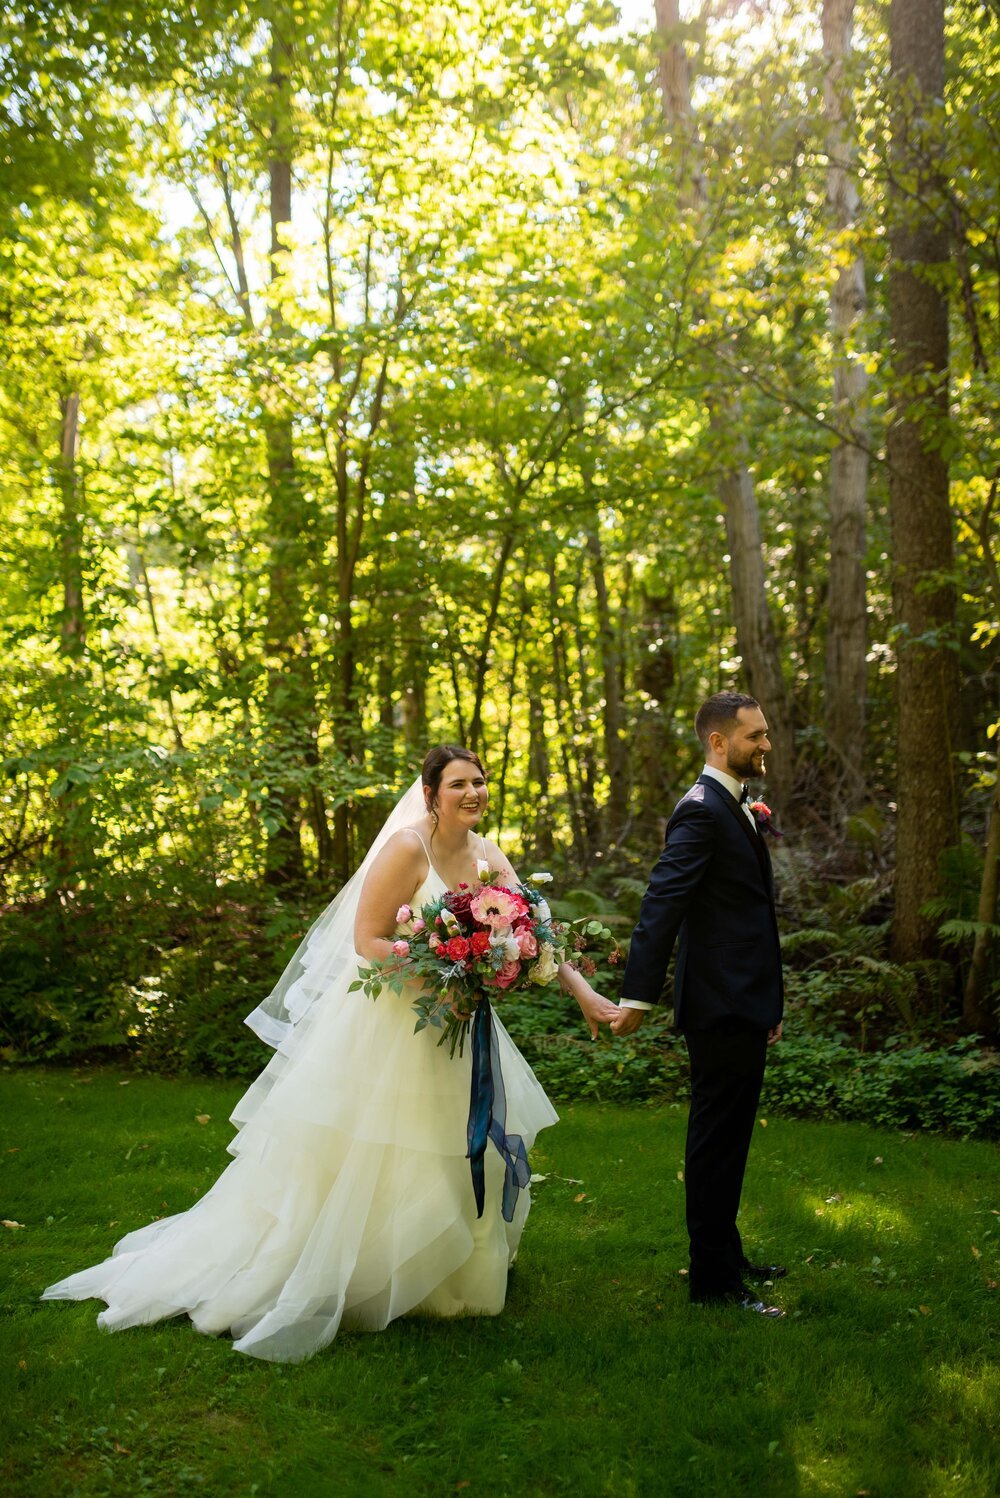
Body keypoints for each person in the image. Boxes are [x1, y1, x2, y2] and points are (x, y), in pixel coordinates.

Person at [42, 746, 619, 1361]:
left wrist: (584, 994)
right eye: (459, 784)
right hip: (396, 1020)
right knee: (383, 1149)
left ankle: (449, 1281)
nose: (474, 793)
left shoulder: (485, 853)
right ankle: (357, 1271)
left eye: (480, 782)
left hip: (461, 1024)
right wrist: (446, 965)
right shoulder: (406, 848)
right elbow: (368, 939)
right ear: (431, 794)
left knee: (457, 1142)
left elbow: (534, 934)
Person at [610, 693, 786, 1317]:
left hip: (744, 1000)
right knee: (716, 1140)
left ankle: (727, 1255)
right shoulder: (702, 811)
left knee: (732, 1137)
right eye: (754, 736)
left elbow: (746, 916)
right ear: (718, 742)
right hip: (719, 1004)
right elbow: (663, 907)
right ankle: (712, 1281)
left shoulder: (733, 806)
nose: (766, 744)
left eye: (765, 733)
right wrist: (636, 996)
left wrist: (771, 1003)